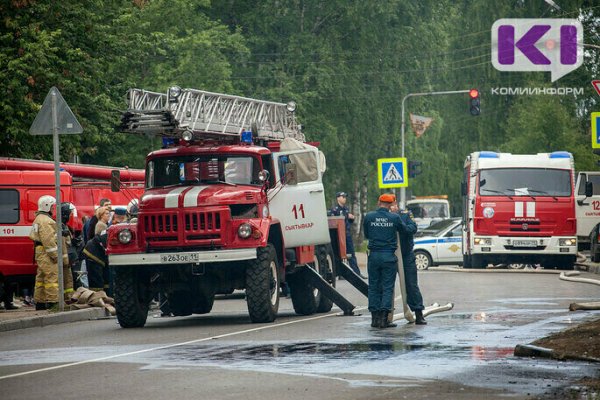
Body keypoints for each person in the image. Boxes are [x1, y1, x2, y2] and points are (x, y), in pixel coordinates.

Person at [362, 193, 407, 328]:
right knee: (387, 287)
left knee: (373, 287)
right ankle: (383, 319)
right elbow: (404, 230)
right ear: (391, 204)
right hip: (388, 256)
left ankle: (374, 319)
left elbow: (367, 234)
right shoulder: (394, 218)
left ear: (378, 202)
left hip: (374, 256)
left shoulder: (369, 217)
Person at [390, 202, 427, 325]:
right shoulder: (383, 216)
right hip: (389, 254)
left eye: (393, 205)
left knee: (411, 285)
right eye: (389, 205)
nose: (392, 208)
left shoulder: (405, 215)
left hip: (406, 255)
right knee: (387, 286)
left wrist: (401, 227)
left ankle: (418, 313)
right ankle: (385, 314)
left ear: (396, 205)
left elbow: (413, 228)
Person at [29, 195, 67, 310]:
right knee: (52, 277)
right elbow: (48, 241)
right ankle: (53, 302)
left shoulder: (40, 218)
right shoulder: (46, 221)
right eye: (52, 206)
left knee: (41, 278)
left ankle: (40, 302)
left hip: (41, 252)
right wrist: (56, 256)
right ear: (47, 206)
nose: (53, 209)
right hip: (46, 253)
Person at [330, 191, 366, 279]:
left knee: (351, 254)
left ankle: (356, 273)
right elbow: (333, 222)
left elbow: (348, 222)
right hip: (338, 236)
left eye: (345, 197)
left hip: (346, 234)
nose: (344, 199)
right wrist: (347, 216)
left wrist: (351, 218)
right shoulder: (335, 210)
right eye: (343, 197)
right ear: (338, 198)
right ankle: (339, 274)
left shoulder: (346, 209)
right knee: (338, 254)